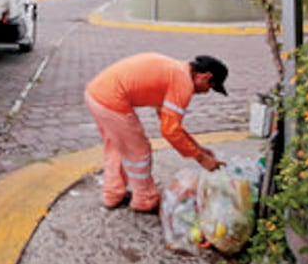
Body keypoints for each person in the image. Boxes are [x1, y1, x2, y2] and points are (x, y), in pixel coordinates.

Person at [84, 53, 228, 212]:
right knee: (138, 152)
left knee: (119, 146)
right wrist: (201, 159)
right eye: (210, 87)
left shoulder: (176, 71)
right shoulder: (183, 82)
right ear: (205, 76)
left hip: (95, 94)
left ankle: (113, 195)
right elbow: (170, 131)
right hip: (111, 100)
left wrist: (198, 149)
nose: (206, 92)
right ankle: (144, 201)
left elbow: (170, 124)